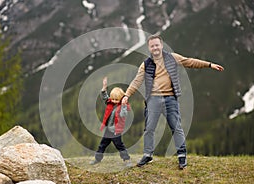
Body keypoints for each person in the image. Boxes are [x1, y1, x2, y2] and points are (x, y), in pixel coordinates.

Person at [122, 34, 224, 169]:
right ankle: (147, 155)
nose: (155, 48)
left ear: (161, 45)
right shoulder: (146, 64)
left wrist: (209, 65)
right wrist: (127, 95)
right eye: (152, 46)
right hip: (153, 99)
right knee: (149, 129)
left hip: (171, 98)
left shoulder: (172, 57)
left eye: (157, 45)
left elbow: (190, 62)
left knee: (176, 127)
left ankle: (182, 156)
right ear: (149, 48)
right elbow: (137, 81)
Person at [90, 76, 132, 167]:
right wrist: (104, 88)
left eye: (116, 100)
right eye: (113, 99)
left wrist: (124, 105)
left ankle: (127, 159)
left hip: (116, 131)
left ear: (121, 99)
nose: (114, 101)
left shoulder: (122, 106)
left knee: (119, 145)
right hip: (108, 130)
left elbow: (123, 115)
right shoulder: (110, 103)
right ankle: (97, 159)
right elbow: (105, 97)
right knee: (102, 144)